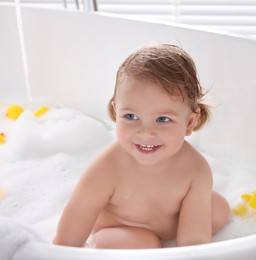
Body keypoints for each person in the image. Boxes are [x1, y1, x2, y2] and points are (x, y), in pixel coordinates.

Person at [53, 43, 230, 249]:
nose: (146, 132)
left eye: (163, 119)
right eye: (131, 116)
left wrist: (191, 251)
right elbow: (76, 219)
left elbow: (194, 239)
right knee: (145, 244)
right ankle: (102, 244)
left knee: (219, 209)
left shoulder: (196, 169)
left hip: (169, 225)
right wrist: (64, 249)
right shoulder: (108, 166)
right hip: (119, 229)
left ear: (189, 123)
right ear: (116, 111)